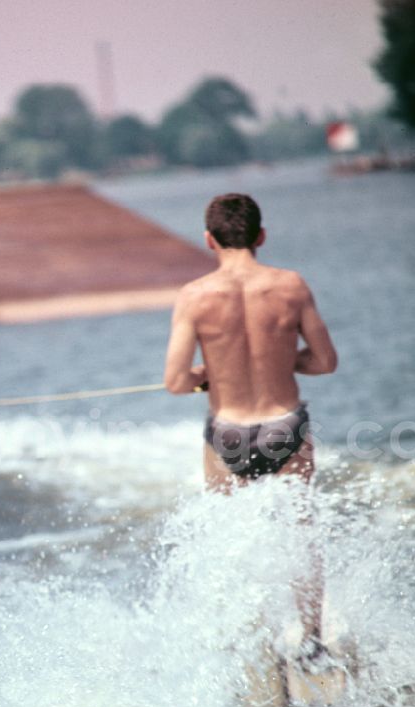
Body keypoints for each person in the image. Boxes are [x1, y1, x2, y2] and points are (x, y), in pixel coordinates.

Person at [164, 192, 338, 652]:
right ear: (261, 236)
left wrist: (211, 376)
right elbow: (324, 361)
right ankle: (313, 641)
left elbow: (177, 381)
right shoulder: (292, 285)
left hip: (228, 435)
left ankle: (253, 643)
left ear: (209, 240)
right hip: (286, 428)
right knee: (300, 531)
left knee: (230, 535)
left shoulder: (194, 297)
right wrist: (280, 360)